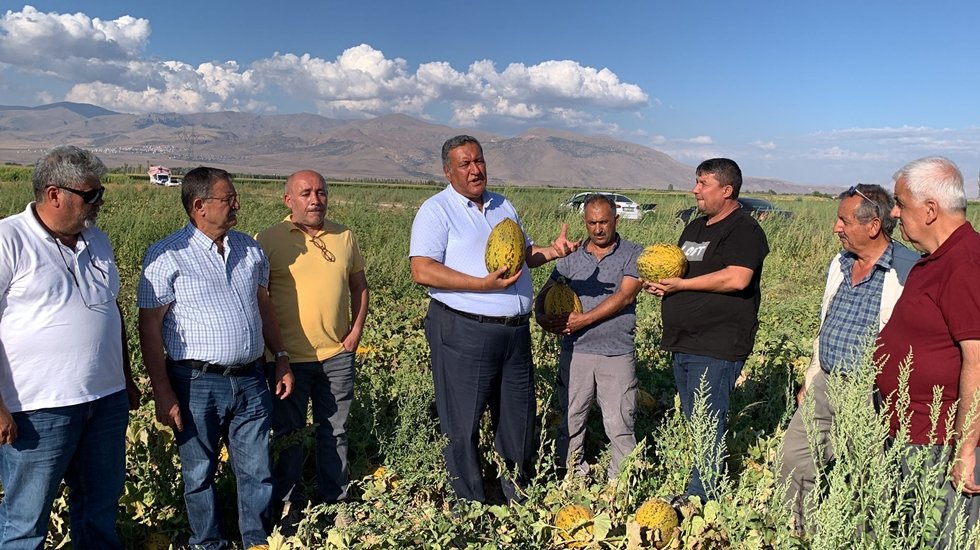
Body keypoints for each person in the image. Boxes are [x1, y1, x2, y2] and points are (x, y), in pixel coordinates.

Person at [409, 134, 577, 503]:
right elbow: (421, 270)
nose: (475, 169)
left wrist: (552, 252)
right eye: (465, 164)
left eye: (479, 160)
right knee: (462, 421)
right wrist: (480, 285)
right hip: (465, 329)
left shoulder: (504, 206)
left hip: (514, 333)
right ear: (448, 171)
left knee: (517, 417)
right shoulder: (436, 210)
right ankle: (468, 503)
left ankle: (516, 496)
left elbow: (523, 255)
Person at [137, 166, 294, 549]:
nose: (236, 204)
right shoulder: (165, 256)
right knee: (199, 471)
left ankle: (257, 541)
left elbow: (264, 307)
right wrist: (162, 390)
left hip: (251, 379)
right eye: (228, 199)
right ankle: (207, 543)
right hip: (195, 382)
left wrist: (282, 357)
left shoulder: (250, 248)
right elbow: (149, 329)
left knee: (257, 469)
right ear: (199, 206)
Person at [0, 145, 140, 549]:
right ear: (54, 194)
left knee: (98, 509)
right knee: (26, 520)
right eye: (90, 195)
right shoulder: (9, 239)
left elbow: (110, 312)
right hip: (37, 409)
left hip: (105, 401)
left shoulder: (97, 239)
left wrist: (126, 378)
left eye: (100, 194)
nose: (98, 203)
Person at [778, 184, 918, 532]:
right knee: (795, 457)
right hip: (826, 382)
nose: (835, 227)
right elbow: (825, 323)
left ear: (873, 226)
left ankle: (862, 536)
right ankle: (797, 531)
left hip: (872, 391)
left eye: (843, 220)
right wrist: (811, 377)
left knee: (867, 473)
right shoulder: (839, 263)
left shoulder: (909, 269)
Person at [645, 158, 769, 502]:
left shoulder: (744, 229)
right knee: (695, 418)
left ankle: (702, 496)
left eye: (703, 183)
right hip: (685, 341)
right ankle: (702, 484)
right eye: (696, 182)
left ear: (727, 190)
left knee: (707, 420)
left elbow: (738, 277)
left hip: (717, 343)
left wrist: (681, 288)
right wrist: (664, 284)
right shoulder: (696, 228)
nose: (694, 190)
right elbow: (683, 274)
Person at [874, 156, 980, 538]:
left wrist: (965, 450)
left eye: (901, 203)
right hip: (911, 430)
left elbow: (978, 363)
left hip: (941, 441)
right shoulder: (937, 259)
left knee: (942, 535)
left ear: (930, 210)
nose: (896, 213)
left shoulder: (965, 263)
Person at [255, 170, 369, 523]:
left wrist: (356, 332)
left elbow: (359, 288)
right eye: (305, 193)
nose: (315, 199)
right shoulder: (268, 240)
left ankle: (336, 501)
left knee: (334, 430)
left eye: (321, 192)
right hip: (287, 359)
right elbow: (259, 299)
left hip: (336, 355)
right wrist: (273, 352)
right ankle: (288, 502)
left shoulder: (344, 236)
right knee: (288, 433)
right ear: (288, 200)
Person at [535, 193, 643, 480]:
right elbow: (546, 293)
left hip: (616, 352)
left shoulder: (633, 253)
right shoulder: (571, 258)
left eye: (604, 222)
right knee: (571, 419)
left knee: (620, 422)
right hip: (576, 352)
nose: (598, 229)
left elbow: (625, 296)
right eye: (592, 223)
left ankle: (622, 483)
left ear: (616, 220)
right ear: (584, 222)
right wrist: (542, 318)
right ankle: (571, 476)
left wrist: (582, 320)